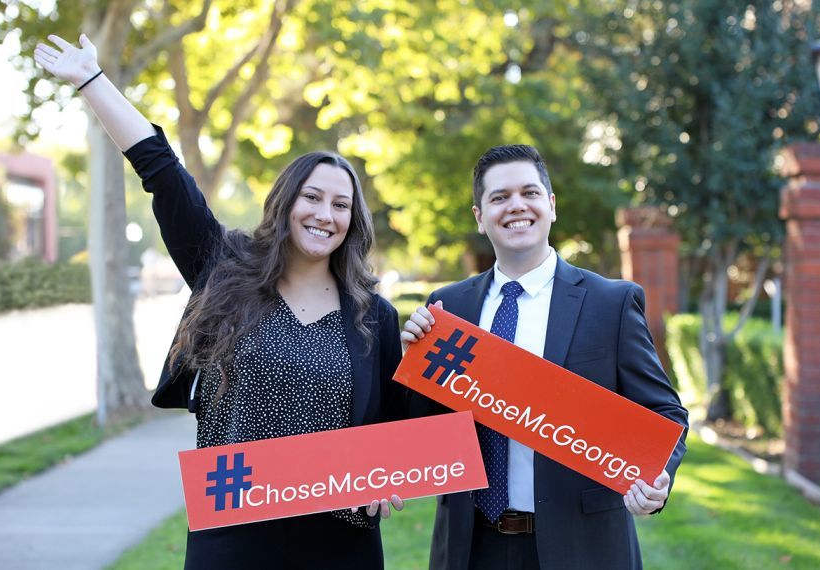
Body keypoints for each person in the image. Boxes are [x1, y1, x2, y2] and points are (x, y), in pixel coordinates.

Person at [34, 34, 406, 569]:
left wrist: (387, 479)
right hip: (233, 530)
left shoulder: (374, 317)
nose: (325, 213)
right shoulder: (224, 271)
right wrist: (94, 81)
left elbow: (398, 431)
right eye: (313, 196)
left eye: (341, 204)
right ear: (286, 201)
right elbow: (162, 172)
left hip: (339, 540)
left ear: (353, 221)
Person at [401, 145, 689, 569]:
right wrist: (412, 364)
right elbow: (423, 431)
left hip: (582, 546)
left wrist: (656, 478)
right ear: (480, 217)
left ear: (551, 206)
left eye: (529, 193)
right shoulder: (448, 308)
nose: (516, 206)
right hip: (470, 546)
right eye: (499, 197)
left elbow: (665, 412)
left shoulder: (611, 303)